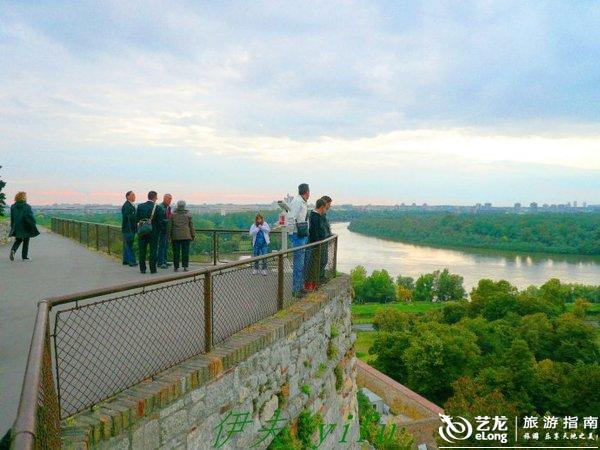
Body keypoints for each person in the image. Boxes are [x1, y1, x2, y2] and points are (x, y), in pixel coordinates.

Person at [136, 191, 166, 274]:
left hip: (142, 232)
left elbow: (137, 219)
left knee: (142, 250)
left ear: (148, 197)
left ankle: (142, 269)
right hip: (153, 232)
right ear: (155, 197)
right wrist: (159, 231)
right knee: (153, 250)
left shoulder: (140, 206)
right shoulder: (158, 208)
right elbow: (160, 222)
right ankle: (153, 269)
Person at [288, 183, 310, 297]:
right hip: (298, 235)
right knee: (298, 263)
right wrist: (292, 234)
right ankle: (296, 290)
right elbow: (291, 217)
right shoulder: (297, 201)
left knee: (301, 263)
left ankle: (299, 287)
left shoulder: (302, 201)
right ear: (307, 192)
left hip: (301, 234)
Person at [304, 198, 328, 289]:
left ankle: (314, 283)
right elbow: (315, 231)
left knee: (317, 264)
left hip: (318, 244)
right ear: (321, 207)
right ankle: (310, 284)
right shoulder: (315, 216)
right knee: (313, 265)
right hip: (315, 245)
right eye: (325, 208)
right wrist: (319, 240)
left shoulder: (317, 215)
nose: (325, 210)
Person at [9, 191, 39, 261]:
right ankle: (24, 257)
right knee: (26, 241)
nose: (26, 198)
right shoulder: (27, 206)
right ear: (22, 198)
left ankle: (13, 250)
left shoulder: (13, 206)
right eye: (24, 197)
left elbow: (12, 217)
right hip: (26, 225)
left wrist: (12, 226)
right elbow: (30, 216)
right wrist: (33, 223)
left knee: (18, 239)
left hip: (17, 226)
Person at [170, 200, 195, 272]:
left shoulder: (173, 215)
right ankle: (185, 266)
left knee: (176, 252)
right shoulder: (188, 215)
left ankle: (176, 267)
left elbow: (169, 226)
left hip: (175, 236)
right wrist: (193, 235)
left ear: (177, 206)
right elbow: (191, 226)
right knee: (185, 252)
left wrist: (168, 235)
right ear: (184, 206)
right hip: (186, 235)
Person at [121, 191, 138, 267]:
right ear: (128, 196)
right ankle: (132, 261)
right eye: (133, 195)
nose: (134, 196)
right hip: (129, 229)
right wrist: (136, 217)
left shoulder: (130, 205)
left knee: (127, 245)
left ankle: (126, 260)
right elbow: (128, 217)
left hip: (129, 228)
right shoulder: (127, 205)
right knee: (129, 245)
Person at [157, 193, 173, 269]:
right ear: (164, 198)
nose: (170, 200)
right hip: (161, 230)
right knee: (162, 246)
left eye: (171, 199)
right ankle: (160, 262)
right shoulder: (160, 207)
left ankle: (164, 260)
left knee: (165, 246)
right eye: (169, 199)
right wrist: (168, 220)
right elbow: (160, 219)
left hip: (166, 230)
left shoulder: (168, 207)